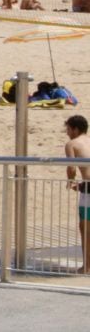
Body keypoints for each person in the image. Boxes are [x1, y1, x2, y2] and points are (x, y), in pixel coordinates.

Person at [66, 115, 90, 273]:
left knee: (85, 227)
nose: (67, 132)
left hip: (89, 188)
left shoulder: (72, 144)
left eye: (68, 129)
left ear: (75, 129)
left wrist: (71, 181)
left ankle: (87, 266)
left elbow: (72, 167)